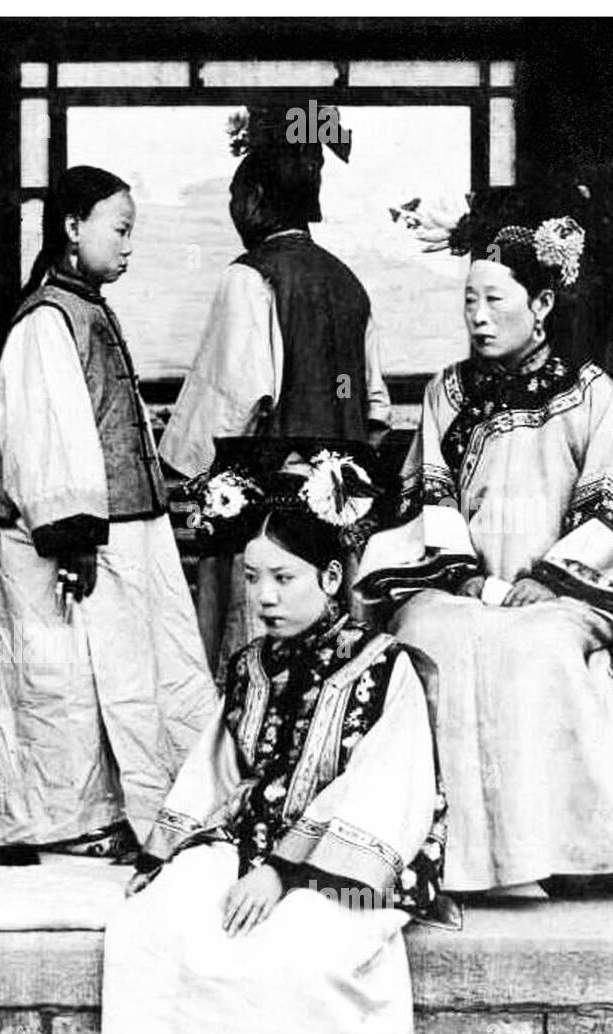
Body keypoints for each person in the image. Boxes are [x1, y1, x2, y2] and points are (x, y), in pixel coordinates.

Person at [99, 461, 447, 1034]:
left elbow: (387, 790)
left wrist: (285, 870)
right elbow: (219, 773)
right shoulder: (250, 665)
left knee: (286, 964)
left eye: (285, 578)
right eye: (252, 577)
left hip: (346, 868)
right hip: (247, 844)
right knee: (154, 936)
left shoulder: (382, 666)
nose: (264, 595)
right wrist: (173, 851)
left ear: (331, 578)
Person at [360, 188, 613, 892]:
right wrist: (463, 576)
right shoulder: (449, 393)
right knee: (438, 642)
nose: (479, 317)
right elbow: (428, 495)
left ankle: (541, 859)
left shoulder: (589, 394)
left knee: (532, 653)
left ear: (543, 305)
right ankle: (446, 859)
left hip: (558, 597)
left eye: (495, 300)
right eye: (469, 302)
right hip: (458, 588)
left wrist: (548, 580)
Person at [0, 165, 218, 855]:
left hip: (119, 533)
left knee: (132, 674)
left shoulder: (85, 310)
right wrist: (73, 536)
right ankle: (59, 821)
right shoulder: (48, 319)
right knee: (65, 683)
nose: (130, 245)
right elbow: (48, 432)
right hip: (66, 539)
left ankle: (136, 811)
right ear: (73, 228)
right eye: (121, 229)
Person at [159, 105, 393, 674]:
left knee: (255, 659)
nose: (235, 210)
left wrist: (177, 467)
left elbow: (234, 399)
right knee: (332, 661)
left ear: (259, 197)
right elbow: (377, 411)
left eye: (237, 197)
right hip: (335, 514)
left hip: (264, 517)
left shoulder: (250, 276)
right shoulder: (348, 284)